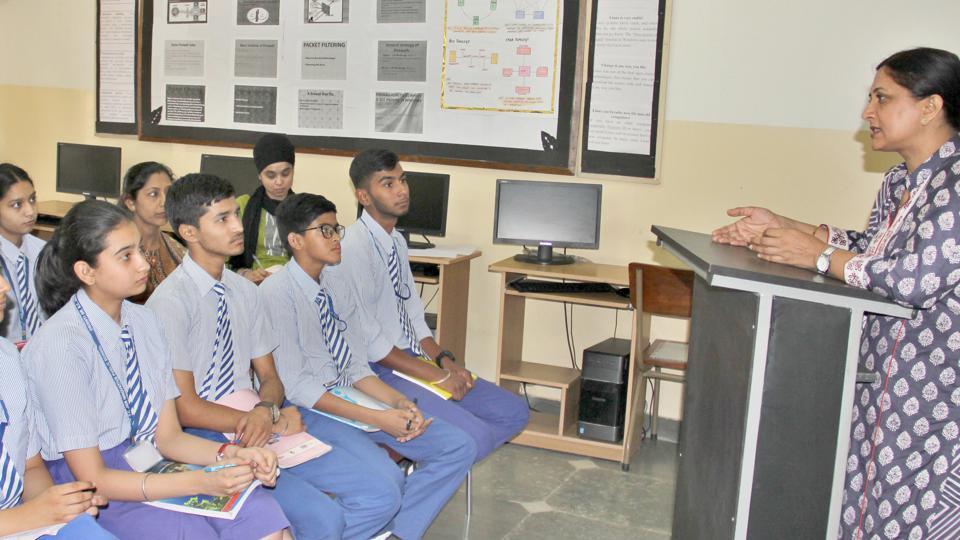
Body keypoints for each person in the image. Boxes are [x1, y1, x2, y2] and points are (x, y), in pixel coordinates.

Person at [712, 47, 960, 539]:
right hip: (881, 381)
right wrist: (787, 228)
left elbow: (916, 279)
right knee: (861, 506)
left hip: (930, 398)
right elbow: (875, 250)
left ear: (930, 106)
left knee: (913, 520)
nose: (868, 112)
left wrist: (816, 257)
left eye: (882, 98)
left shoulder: (955, 182)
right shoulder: (901, 182)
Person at [147, 174, 400, 540]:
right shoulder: (170, 304)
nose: (237, 226)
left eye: (236, 214)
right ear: (189, 232)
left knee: (385, 486)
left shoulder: (244, 291)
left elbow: (269, 376)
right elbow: (185, 406)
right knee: (322, 517)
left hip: (259, 413)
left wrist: (268, 412)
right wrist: (258, 419)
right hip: (204, 426)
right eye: (223, 219)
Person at [23, 200, 288, 539]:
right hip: (97, 485)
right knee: (191, 532)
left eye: (139, 250)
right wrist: (200, 479)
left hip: (151, 456)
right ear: (86, 271)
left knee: (263, 515)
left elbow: (168, 437)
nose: (143, 263)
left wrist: (233, 454)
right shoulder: (60, 344)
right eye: (125, 256)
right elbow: (94, 477)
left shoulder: (146, 321)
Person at [261, 193, 476, 540]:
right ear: (296, 240)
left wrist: (397, 403)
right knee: (385, 485)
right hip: (312, 408)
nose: (336, 239)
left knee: (457, 447)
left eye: (337, 229)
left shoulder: (335, 282)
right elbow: (300, 388)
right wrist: (379, 419)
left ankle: (398, 534)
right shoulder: (275, 294)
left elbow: (355, 364)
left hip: (353, 395)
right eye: (325, 231)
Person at [328, 149, 529, 463]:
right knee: (470, 439)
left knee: (513, 411)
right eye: (388, 183)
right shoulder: (353, 249)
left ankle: (412, 458)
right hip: (382, 370)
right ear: (363, 196)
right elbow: (374, 347)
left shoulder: (396, 241)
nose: (402, 190)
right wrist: (435, 377)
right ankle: (403, 471)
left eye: (403, 180)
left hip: (414, 357)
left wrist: (444, 362)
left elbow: (414, 317)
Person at [0, 271, 116, 539]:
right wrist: (32, 514)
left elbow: (30, 467)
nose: (5, 286)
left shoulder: (7, 358)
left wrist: (61, 505)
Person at [231, 133, 296, 283]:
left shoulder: (304, 209)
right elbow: (222, 258)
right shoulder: (242, 205)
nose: (279, 182)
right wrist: (245, 274)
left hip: (290, 282)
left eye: (286, 173)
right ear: (260, 175)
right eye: (271, 175)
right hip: (253, 283)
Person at [118, 162, 186, 304]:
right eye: (153, 194)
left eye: (168, 193)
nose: (164, 202)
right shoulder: (119, 252)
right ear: (131, 203)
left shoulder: (178, 250)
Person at [0, 164, 45, 345]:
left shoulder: (45, 252)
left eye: (32, 200)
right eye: (17, 205)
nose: (30, 211)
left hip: (42, 353)